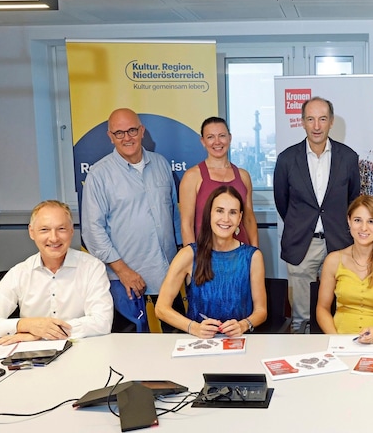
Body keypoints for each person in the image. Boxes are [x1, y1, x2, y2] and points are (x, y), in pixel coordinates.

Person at [80, 108, 179, 331]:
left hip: (166, 273)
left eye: (132, 130)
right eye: (119, 133)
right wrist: (124, 272)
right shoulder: (99, 175)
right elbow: (93, 231)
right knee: (133, 346)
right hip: (125, 279)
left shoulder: (161, 164)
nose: (127, 138)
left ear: (141, 130)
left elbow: (173, 215)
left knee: (175, 342)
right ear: (110, 136)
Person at [0, 200, 112, 344]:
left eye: (61, 229)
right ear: (32, 232)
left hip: (81, 350)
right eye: (44, 230)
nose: (54, 238)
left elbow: (102, 322)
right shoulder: (19, 273)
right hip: (30, 356)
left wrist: (43, 334)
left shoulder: (92, 267)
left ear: (71, 231)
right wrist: (25, 325)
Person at [273, 96, 361, 331]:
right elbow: (282, 202)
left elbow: (353, 200)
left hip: (339, 243)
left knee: (337, 310)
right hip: (302, 242)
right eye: (310, 119)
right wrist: (302, 223)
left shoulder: (348, 157)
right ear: (302, 122)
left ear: (331, 122)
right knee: (302, 317)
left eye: (322, 119)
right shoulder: (286, 159)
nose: (316, 126)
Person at [155, 186, 266, 337]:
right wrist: (193, 327)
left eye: (232, 212)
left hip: (239, 341)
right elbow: (161, 308)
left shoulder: (253, 256)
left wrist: (244, 324)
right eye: (220, 210)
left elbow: (261, 311)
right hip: (199, 344)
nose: (226, 219)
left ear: (239, 218)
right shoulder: (188, 254)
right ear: (209, 214)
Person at [315, 195, 373, 342]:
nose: (364, 228)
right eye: (358, 220)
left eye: (371, 221)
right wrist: (336, 339)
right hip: (339, 339)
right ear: (349, 221)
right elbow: (322, 309)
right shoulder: (333, 260)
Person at [179, 117, 258, 247]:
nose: (217, 142)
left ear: (230, 138)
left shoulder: (243, 176)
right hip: (206, 256)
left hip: (241, 255)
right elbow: (186, 225)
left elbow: (249, 220)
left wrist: (255, 254)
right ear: (203, 141)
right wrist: (192, 260)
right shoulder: (192, 177)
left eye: (222, 136)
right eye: (210, 137)